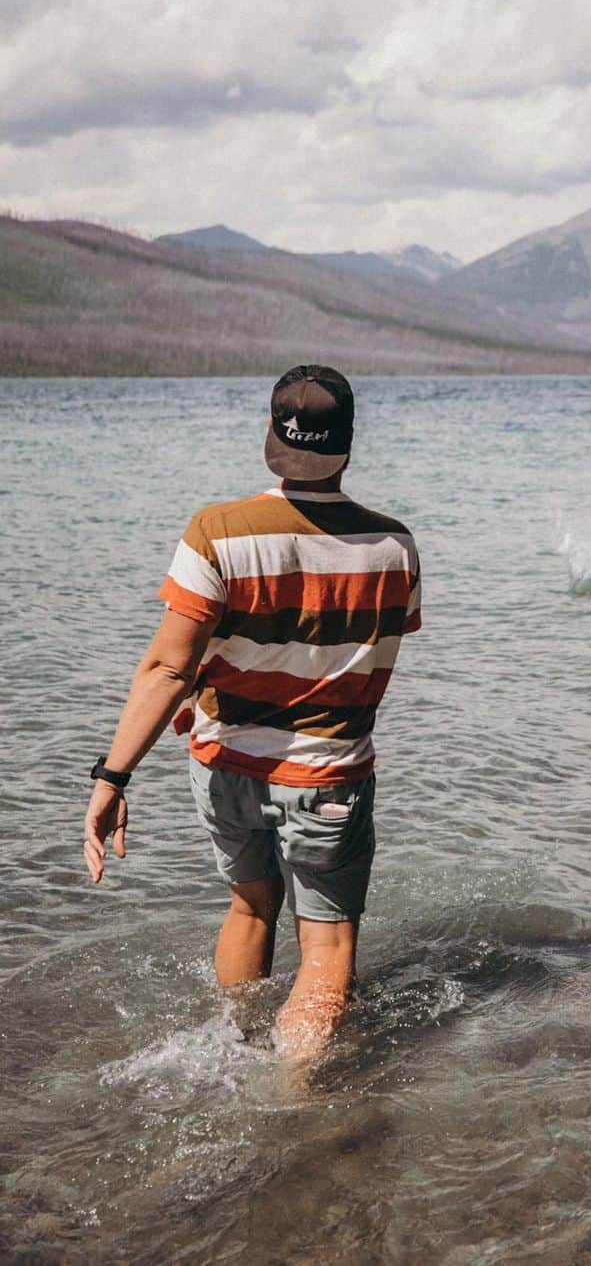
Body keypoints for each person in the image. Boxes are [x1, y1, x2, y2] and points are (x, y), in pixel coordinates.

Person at [82, 364, 421, 1060]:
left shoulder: (217, 532)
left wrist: (112, 777)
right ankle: (293, 1110)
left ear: (271, 437)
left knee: (249, 908)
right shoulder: (395, 547)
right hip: (328, 779)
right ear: (348, 446)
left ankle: (235, 1053)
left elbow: (169, 669)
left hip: (225, 767)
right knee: (325, 946)